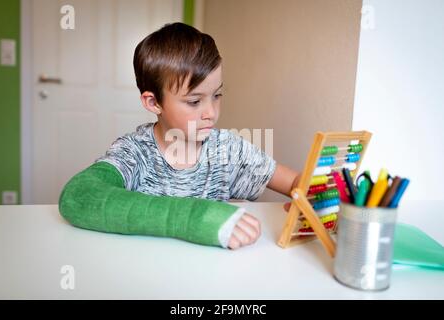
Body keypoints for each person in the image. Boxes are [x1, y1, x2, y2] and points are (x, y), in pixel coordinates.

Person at [59, 22, 300, 250]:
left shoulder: (228, 149)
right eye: (194, 101)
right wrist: (191, 218)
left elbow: (294, 183)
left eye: (217, 95)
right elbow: (77, 198)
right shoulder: (135, 152)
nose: (211, 113)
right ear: (153, 102)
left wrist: (311, 197)